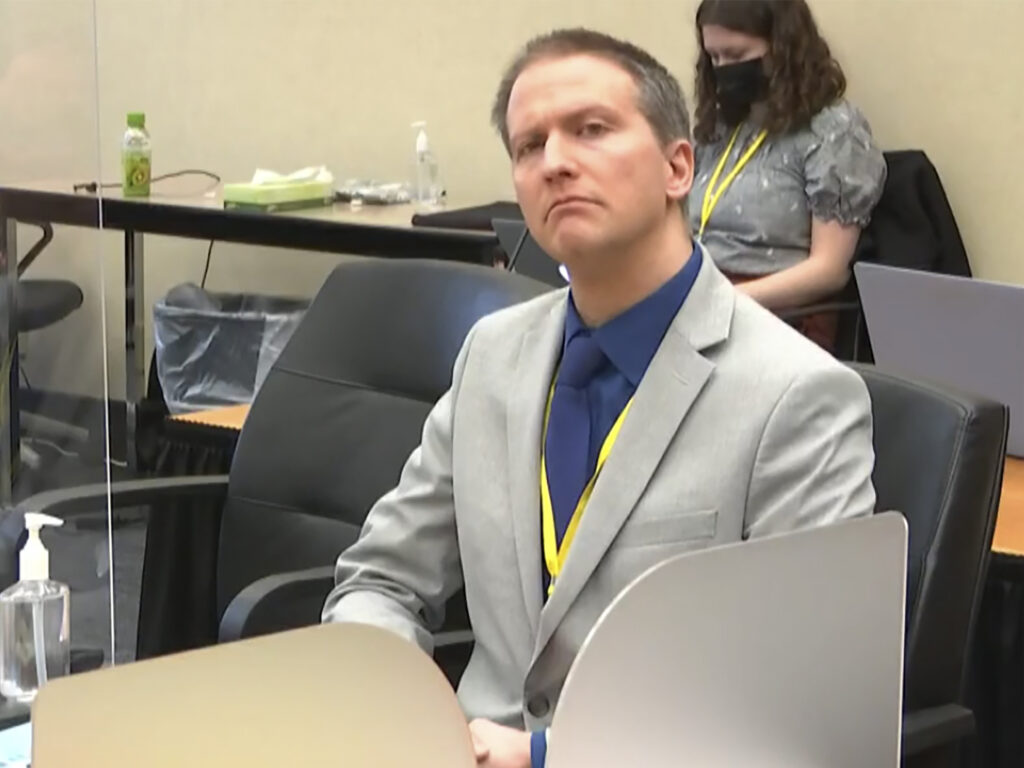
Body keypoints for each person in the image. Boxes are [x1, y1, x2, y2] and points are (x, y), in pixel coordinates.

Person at [323, 28, 876, 768]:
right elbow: (380, 578)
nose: (555, 162)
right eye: (528, 146)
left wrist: (547, 755)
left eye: (591, 130)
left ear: (679, 166)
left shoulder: (797, 395)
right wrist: (410, 716)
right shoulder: (492, 355)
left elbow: (802, 709)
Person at [689, 0, 887, 349]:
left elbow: (828, 271)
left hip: (779, 315)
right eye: (715, 58)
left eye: (736, 56)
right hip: (703, 298)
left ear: (783, 50)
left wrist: (725, 301)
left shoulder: (832, 131)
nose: (724, 70)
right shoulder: (723, 127)